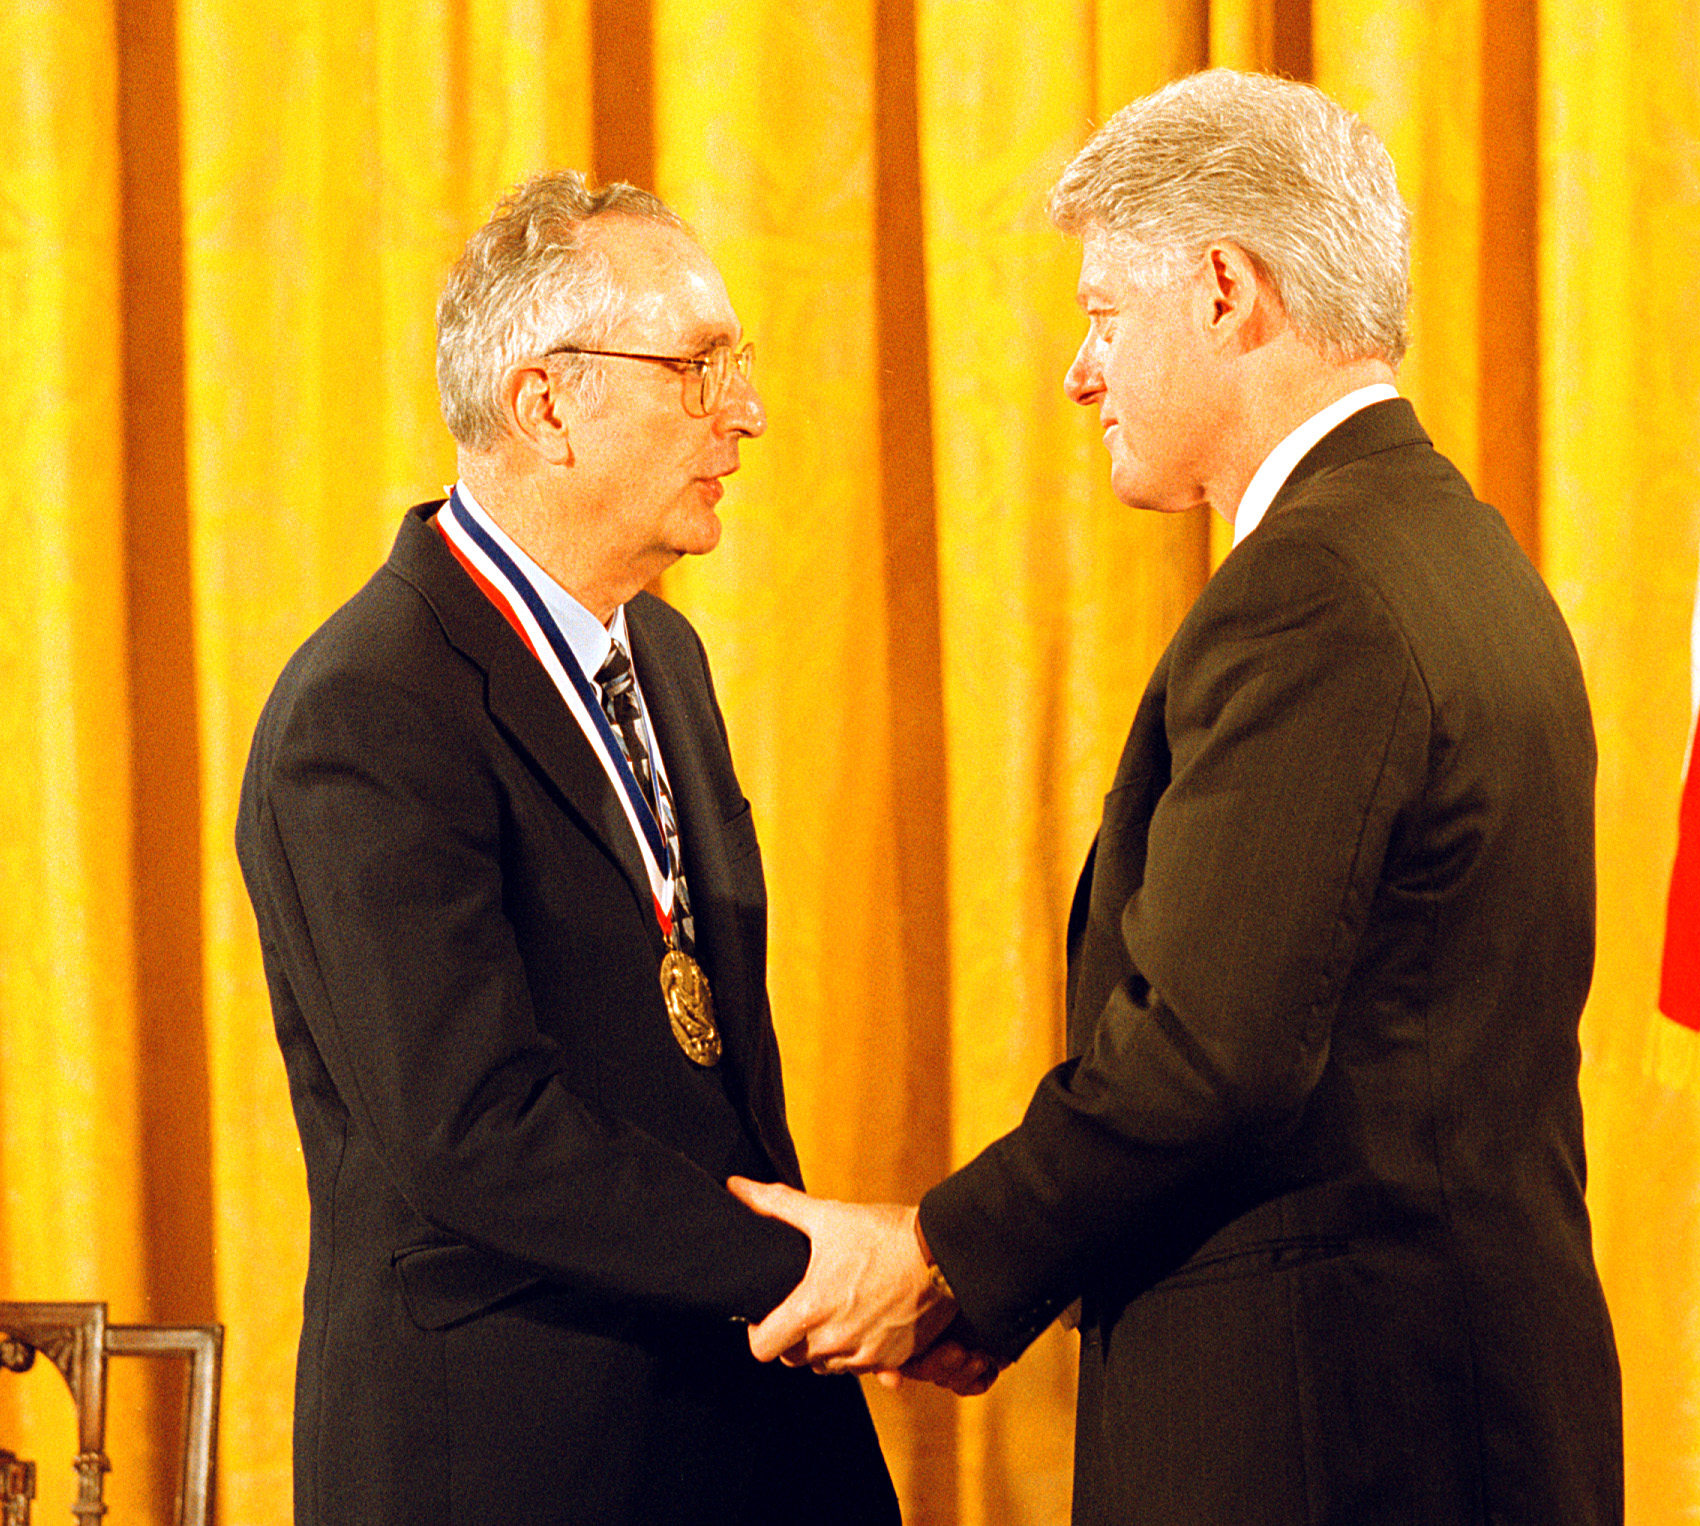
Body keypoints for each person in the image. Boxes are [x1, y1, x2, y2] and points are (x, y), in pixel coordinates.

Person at [728, 70, 1623, 1525]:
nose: (1079, 373)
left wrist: (939, 1255)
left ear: (1222, 288)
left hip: (1322, 1437)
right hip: (1450, 1406)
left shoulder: (1316, 590)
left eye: (1100, 314)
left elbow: (1208, 1058)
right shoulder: (1462, 553)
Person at [235, 171, 899, 1526]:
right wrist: (807, 1265)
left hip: (741, 1421)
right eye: (696, 367)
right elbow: (471, 1128)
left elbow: (704, 1066)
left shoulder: (666, 652)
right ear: (546, 404)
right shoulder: (367, 705)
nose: (746, 412)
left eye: (740, 365)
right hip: (513, 1455)